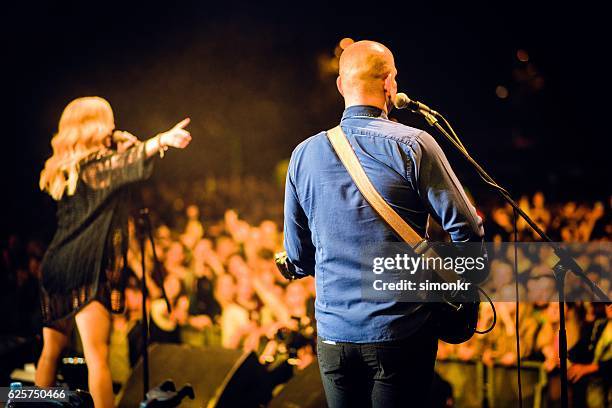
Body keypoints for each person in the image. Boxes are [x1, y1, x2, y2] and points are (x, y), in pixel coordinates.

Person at [282, 41, 485, 407]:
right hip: (400, 332)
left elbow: (297, 257)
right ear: (390, 83)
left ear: (341, 86)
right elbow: (468, 230)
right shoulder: (414, 144)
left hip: (334, 336)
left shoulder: (303, 155)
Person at [36, 96, 191, 408]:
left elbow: (121, 166)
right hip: (86, 266)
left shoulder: (67, 168)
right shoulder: (96, 168)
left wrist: (128, 145)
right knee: (97, 358)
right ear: (96, 123)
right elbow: (121, 165)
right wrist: (160, 140)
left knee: (51, 352)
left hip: (56, 263)